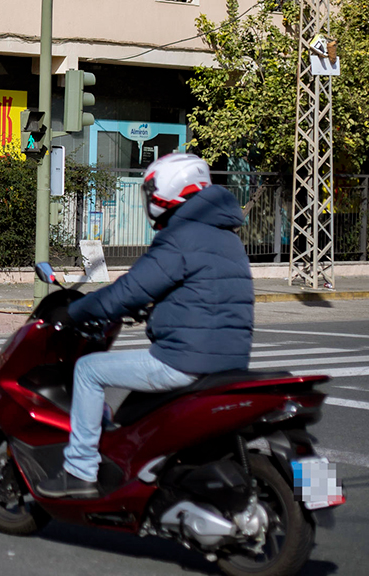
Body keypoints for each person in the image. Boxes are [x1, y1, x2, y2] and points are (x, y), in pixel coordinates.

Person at [35, 153, 255, 499]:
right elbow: (203, 293)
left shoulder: (181, 237)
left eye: (151, 190)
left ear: (168, 189)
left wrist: (75, 312)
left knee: (88, 370)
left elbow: (128, 290)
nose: (149, 198)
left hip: (184, 360)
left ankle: (78, 470)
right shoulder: (225, 236)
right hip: (229, 362)